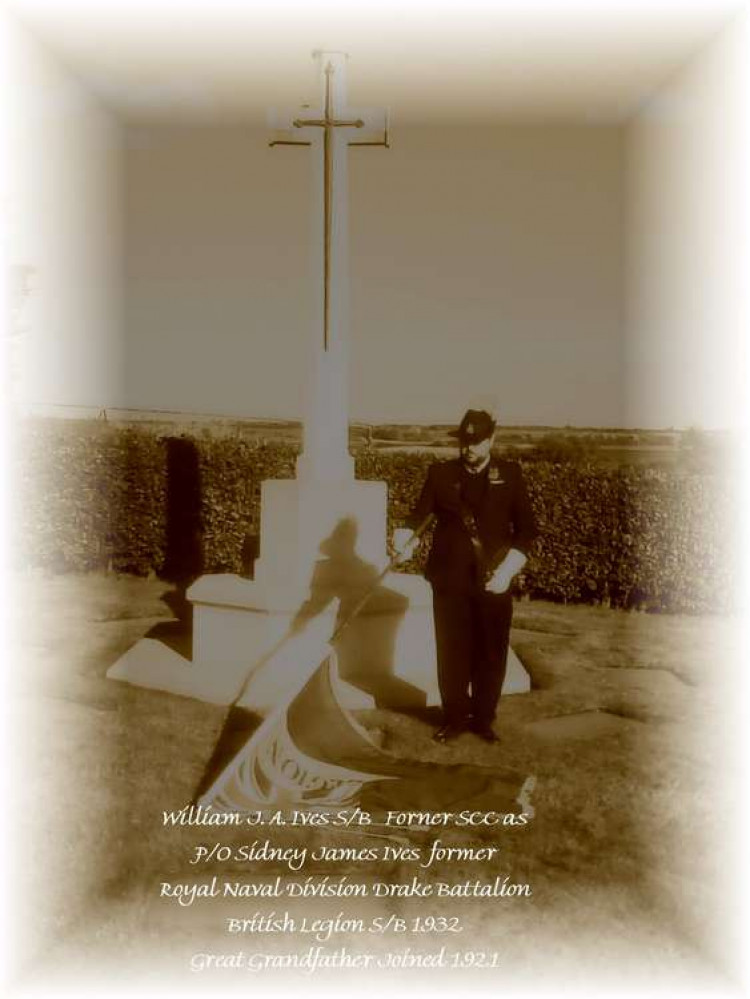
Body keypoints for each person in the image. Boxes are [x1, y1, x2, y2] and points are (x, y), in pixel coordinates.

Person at [393, 409, 536, 744]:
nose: (468, 448)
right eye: (464, 441)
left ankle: (483, 719)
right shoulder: (441, 474)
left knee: (490, 651)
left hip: (494, 578)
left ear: (491, 440)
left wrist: (507, 571)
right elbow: (418, 515)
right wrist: (404, 539)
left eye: (476, 441)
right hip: (449, 579)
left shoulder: (510, 475)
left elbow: (528, 530)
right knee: (452, 651)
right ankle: (455, 717)